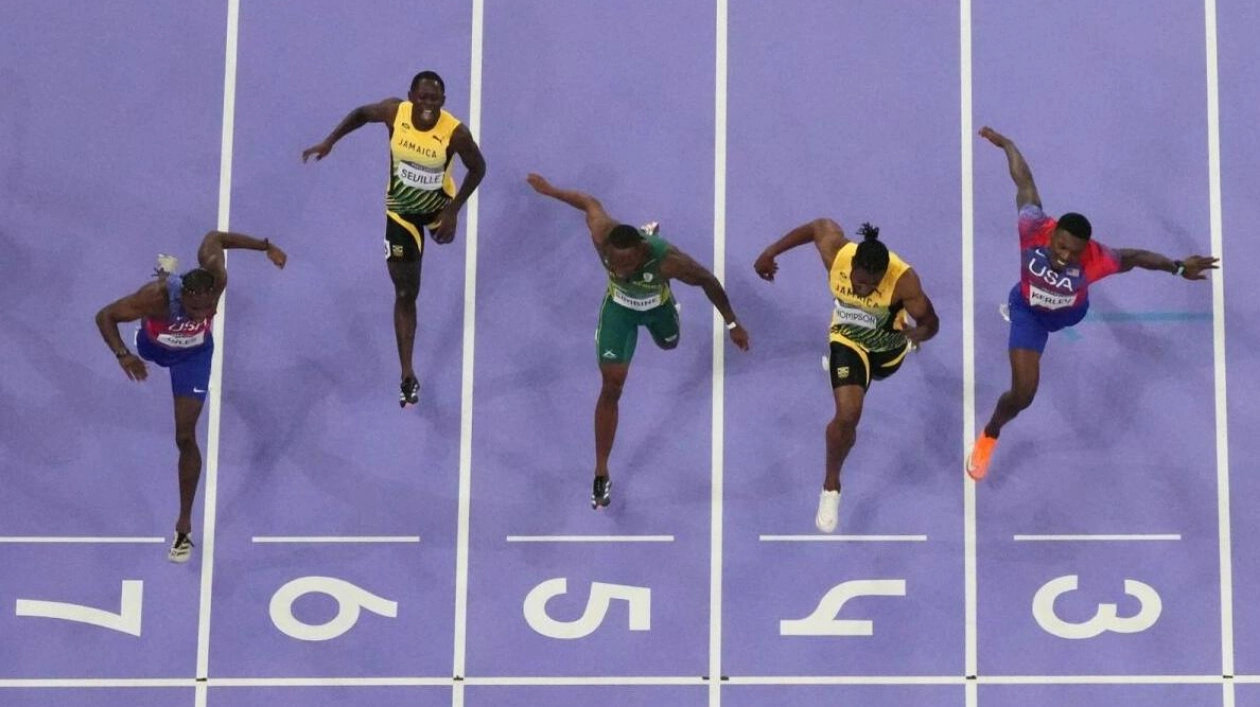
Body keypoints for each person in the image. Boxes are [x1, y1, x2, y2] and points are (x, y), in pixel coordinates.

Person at [966, 126, 1220, 481]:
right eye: (1061, 246)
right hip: (1029, 313)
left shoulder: (1098, 258)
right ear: (1052, 234)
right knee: (1023, 395)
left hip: (1069, 313)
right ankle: (991, 432)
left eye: (1073, 251)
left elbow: (1137, 257)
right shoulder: (1032, 225)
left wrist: (1178, 267)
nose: (1064, 256)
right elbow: (1024, 182)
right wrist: (1008, 144)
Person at [527, 173, 751, 509]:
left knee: (669, 344)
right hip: (620, 309)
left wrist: (732, 322)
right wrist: (550, 191)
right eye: (615, 266)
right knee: (612, 386)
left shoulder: (666, 260)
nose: (621, 272)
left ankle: (658, 274)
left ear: (643, 250)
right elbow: (589, 203)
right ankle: (601, 472)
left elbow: (707, 280)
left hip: (656, 305)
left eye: (629, 266)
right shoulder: (603, 234)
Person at [95, 230, 287, 562]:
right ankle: (164, 271)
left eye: (210, 306)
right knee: (159, 283)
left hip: (194, 357)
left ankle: (183, 527)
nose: (205, 313)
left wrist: (266, 247)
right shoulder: (153, 299)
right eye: (196, 308)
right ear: (183, 299)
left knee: (185, 437)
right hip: (152, 347)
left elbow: (216, 238)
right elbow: (105, 316)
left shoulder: (217, 277)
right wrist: (123, 354)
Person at [302, 70, 487, 407]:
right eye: (423, 97)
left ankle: (439, 225)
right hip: (401, 213)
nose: (428, 104)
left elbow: (478, 168)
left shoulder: (455, 133)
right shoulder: (394, 113)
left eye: (435, 99)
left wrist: (453, 210)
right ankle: (407, 373)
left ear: (443, 102)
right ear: (411, 96)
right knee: (405, 291)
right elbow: (361, 114)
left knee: (443, 239)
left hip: (437, 210)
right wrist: (330, 141)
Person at [756, 218, 939, 532]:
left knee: (879, 375)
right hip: (847, 340)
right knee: (848, 414)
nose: (863, 289)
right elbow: (818, 226)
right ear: (852, 265)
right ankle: (831, 487)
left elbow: (931, 323)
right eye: (860, 281)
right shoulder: (837, 254)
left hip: (888, 349)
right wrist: (771, 252)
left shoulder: (903, 281)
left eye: (872, 284)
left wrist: (916, 336)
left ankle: (887, 358)